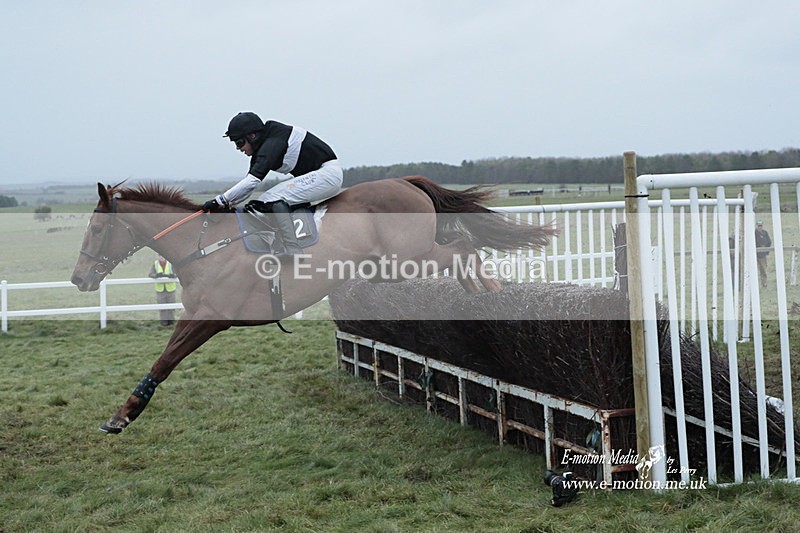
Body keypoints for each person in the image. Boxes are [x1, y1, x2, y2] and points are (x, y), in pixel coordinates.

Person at [203, 112, 343, 257]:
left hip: (327, 174)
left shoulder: (273, 142)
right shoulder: (264, 142)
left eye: (239, 143)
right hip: (319, 175)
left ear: (252, 136)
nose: (239, 148)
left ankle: (292, 248)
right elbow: (249, 187)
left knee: (271, 198)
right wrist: (227, 203)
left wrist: (220, 200)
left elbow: (252, 181)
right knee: (265, 199)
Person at [149, 255, 178, 326]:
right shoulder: (155, 264)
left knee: (171, 306)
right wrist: (156, 275)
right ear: (157, 257)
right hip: (160, 290)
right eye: (160, 256)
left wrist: (173, 275)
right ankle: (164, 322)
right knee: (162, 307)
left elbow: (176, 273)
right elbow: (150, 274)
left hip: (170, 289)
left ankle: (171, 322)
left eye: (163, 256)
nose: (161, 258)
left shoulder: (171, 264)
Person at [755, 221, 772, 288]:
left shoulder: (765, 233)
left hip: (762, 255)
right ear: (756, 226)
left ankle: (764, 284)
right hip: (754, 254)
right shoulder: (754, 233)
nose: (759, 227)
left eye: (761, 226)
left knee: (763, 270)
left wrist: (766, 251)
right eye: (758, 225)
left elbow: (769, 242)